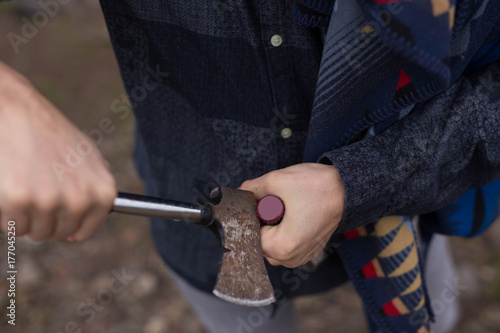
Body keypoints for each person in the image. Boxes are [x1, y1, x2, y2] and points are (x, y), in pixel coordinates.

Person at [1, 0, 500, 332]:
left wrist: (360, 183)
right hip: (189, 182)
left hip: (407, 187)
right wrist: (10, 96)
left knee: (436, 307)